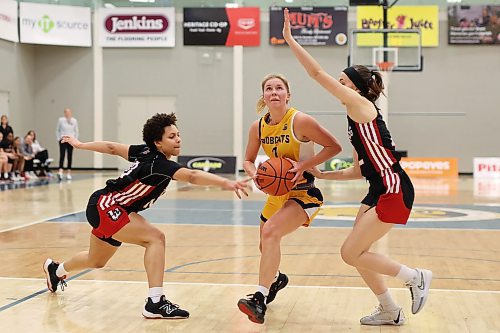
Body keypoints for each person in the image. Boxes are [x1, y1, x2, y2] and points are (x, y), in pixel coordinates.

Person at [282, 8, 432, 326]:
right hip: (377, 188)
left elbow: (316, 75)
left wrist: (291, 41)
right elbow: (358, 169)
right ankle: (390, 309)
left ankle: (415, 277)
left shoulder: (362, 106)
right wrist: (322, 173)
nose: (337, 86)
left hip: (393, 187)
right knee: (360, 252)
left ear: (357, 88)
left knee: (350, 253)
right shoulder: (354, 118)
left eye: (342, 82)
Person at [43, 113, 250, 319]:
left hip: (104, 206)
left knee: (95, 260)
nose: (178, 139)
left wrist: (81, 145)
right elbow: (192, 176)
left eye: (178, 134)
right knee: (155, 238)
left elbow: (113, 148)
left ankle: (56, 270)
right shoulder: (158, 163)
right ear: (158, 143)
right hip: (108, 207)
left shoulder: (145, 151)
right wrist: (227, 183)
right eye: (171, 136)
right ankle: (155, 302)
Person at [237, 73, 342, 324]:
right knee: (265, 244)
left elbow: (334, 146)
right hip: (277, 193)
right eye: (269, 89)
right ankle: (276, 279)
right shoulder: (258, 127)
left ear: (288, 94)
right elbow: (248, 160)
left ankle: (259, 299)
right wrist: (256, 176)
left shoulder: (300, 120)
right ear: (263, 96)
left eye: (279, 88)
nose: (274, 92)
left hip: (303, 192)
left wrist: (305, 165)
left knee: (270, 232)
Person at [56, 108, 79, 180]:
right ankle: (60, 171)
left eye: (68, 112)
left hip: (71, 140)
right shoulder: (61, 120)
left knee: (70, 156)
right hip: (63, 139)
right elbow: (57, 130)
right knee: (62, 155)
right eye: (66, 112)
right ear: (64, 113)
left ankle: (69, 172)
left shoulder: (74, 121)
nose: (67, 113)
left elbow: (76, 131)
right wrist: (59, 139)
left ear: (71, 113)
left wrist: (75, 140)